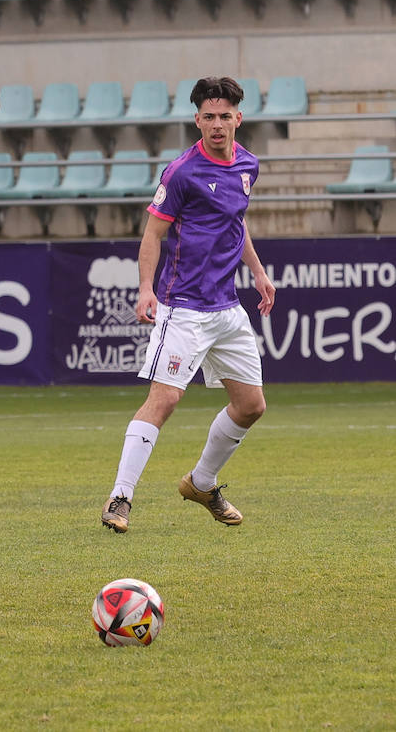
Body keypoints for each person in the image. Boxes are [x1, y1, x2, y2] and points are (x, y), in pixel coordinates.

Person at [100, 76, 276, 533]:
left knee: (252, 406)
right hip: (184, 308)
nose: (217, 125)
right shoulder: (181, 172)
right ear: (196, 120)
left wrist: (256, 271)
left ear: (238, 118)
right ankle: (120, 497)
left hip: (227, 309)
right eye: (208, 117)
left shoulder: (248, 166)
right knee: (165, 399)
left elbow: (237, 224)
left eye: (224, 116)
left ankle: (201, 482)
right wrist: (145, 288)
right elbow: (152, 235)